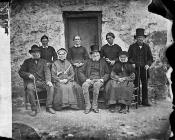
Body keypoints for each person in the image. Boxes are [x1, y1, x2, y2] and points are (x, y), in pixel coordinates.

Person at [19, 45, 55, 116]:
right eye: (34, 52)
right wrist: (28, 75)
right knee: (29, 88)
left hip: (42, 82)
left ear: (40, 53)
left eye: (38, 52)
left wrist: (48, 81)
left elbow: (47, 71)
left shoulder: (44, 61)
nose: (36, 54)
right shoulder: (27, 62)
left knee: (51, 87)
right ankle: (34, 109)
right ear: (31, 54)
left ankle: (49, 106)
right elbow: (21, 72)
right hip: (32, 82)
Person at [79, 45, 110, 114]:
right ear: (91, 55)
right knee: (84, 85)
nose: (95, 55)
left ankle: (94, 105)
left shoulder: (103, 62)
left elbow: (107, 73)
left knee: (96, 85)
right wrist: (86, 79)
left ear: (99, 54)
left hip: (99, 80)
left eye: (97, 53)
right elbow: (80, 71)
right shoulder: (87, 61)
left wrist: (102, 79)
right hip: (90, 79)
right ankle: (88, 106)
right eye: (94, 53)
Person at [128, 28, 153, 106]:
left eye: (141, 37)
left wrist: (148, 64)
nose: (140, 39)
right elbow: (129, 57)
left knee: (145, 85)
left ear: (144, 38)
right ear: (136, 38)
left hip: (144, 69)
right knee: (136, 84)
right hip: (136, 69)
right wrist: (132, 63)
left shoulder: (147, 47)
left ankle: (145, 101)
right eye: (138, 38)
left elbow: (150, 58)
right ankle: (137, 100)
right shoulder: (132, 47)